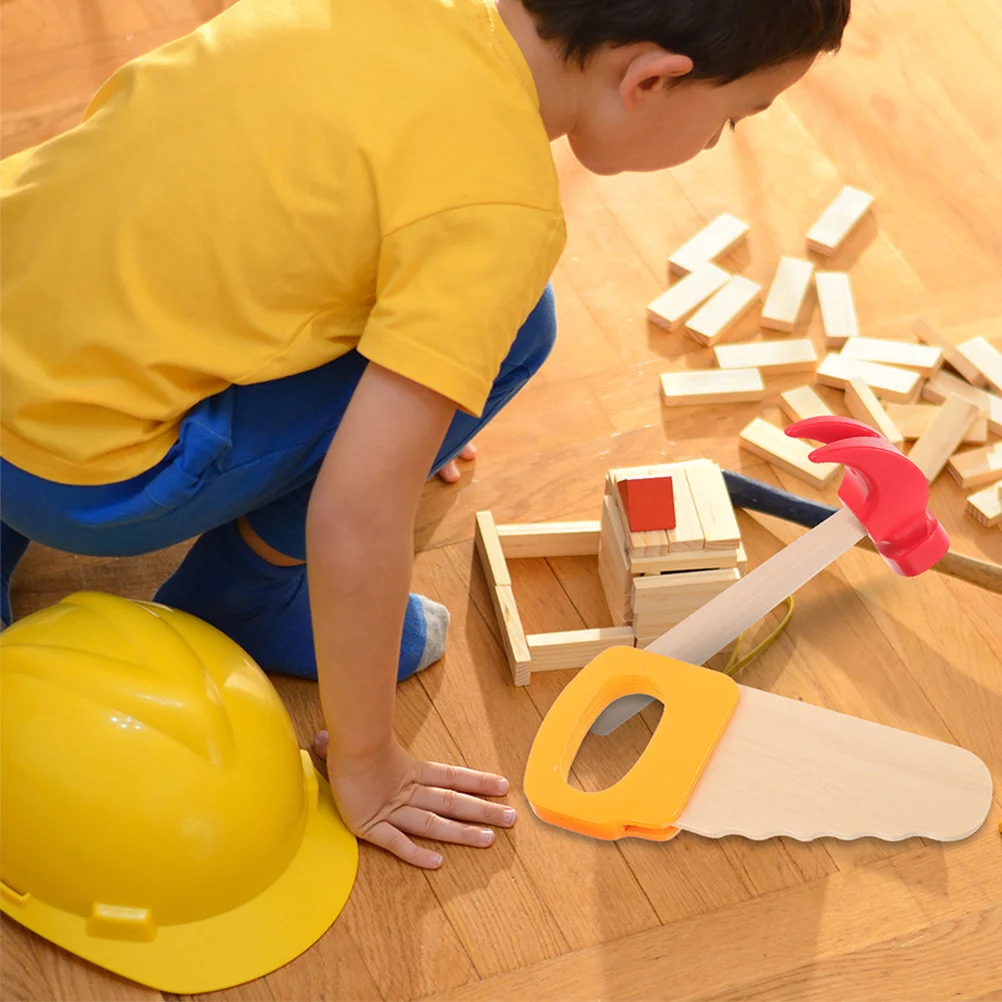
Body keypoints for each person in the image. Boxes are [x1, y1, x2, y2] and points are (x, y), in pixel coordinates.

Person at [0, 0, 849, 868]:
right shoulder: (498, 212)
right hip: (80, 478)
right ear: (652, 78)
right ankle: (245, 595)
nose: (715, 144)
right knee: (520, 328)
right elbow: (355, 518)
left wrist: (415, 400)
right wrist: (367, 763)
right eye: (732, 119)